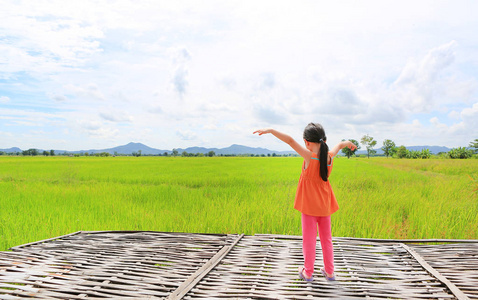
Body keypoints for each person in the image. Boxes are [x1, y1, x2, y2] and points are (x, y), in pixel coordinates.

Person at [253, 123, 357, 282]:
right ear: (323, 140)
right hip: (325, 206)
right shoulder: (328, 156)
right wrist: (347, 143)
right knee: (326, 239)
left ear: (307, 142)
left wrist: (271, 130)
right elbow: (339, 145)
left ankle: (308, 272)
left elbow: (289, 140)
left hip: (309, 208)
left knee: (309, 240)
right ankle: (330, 272)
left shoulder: (309, 156)